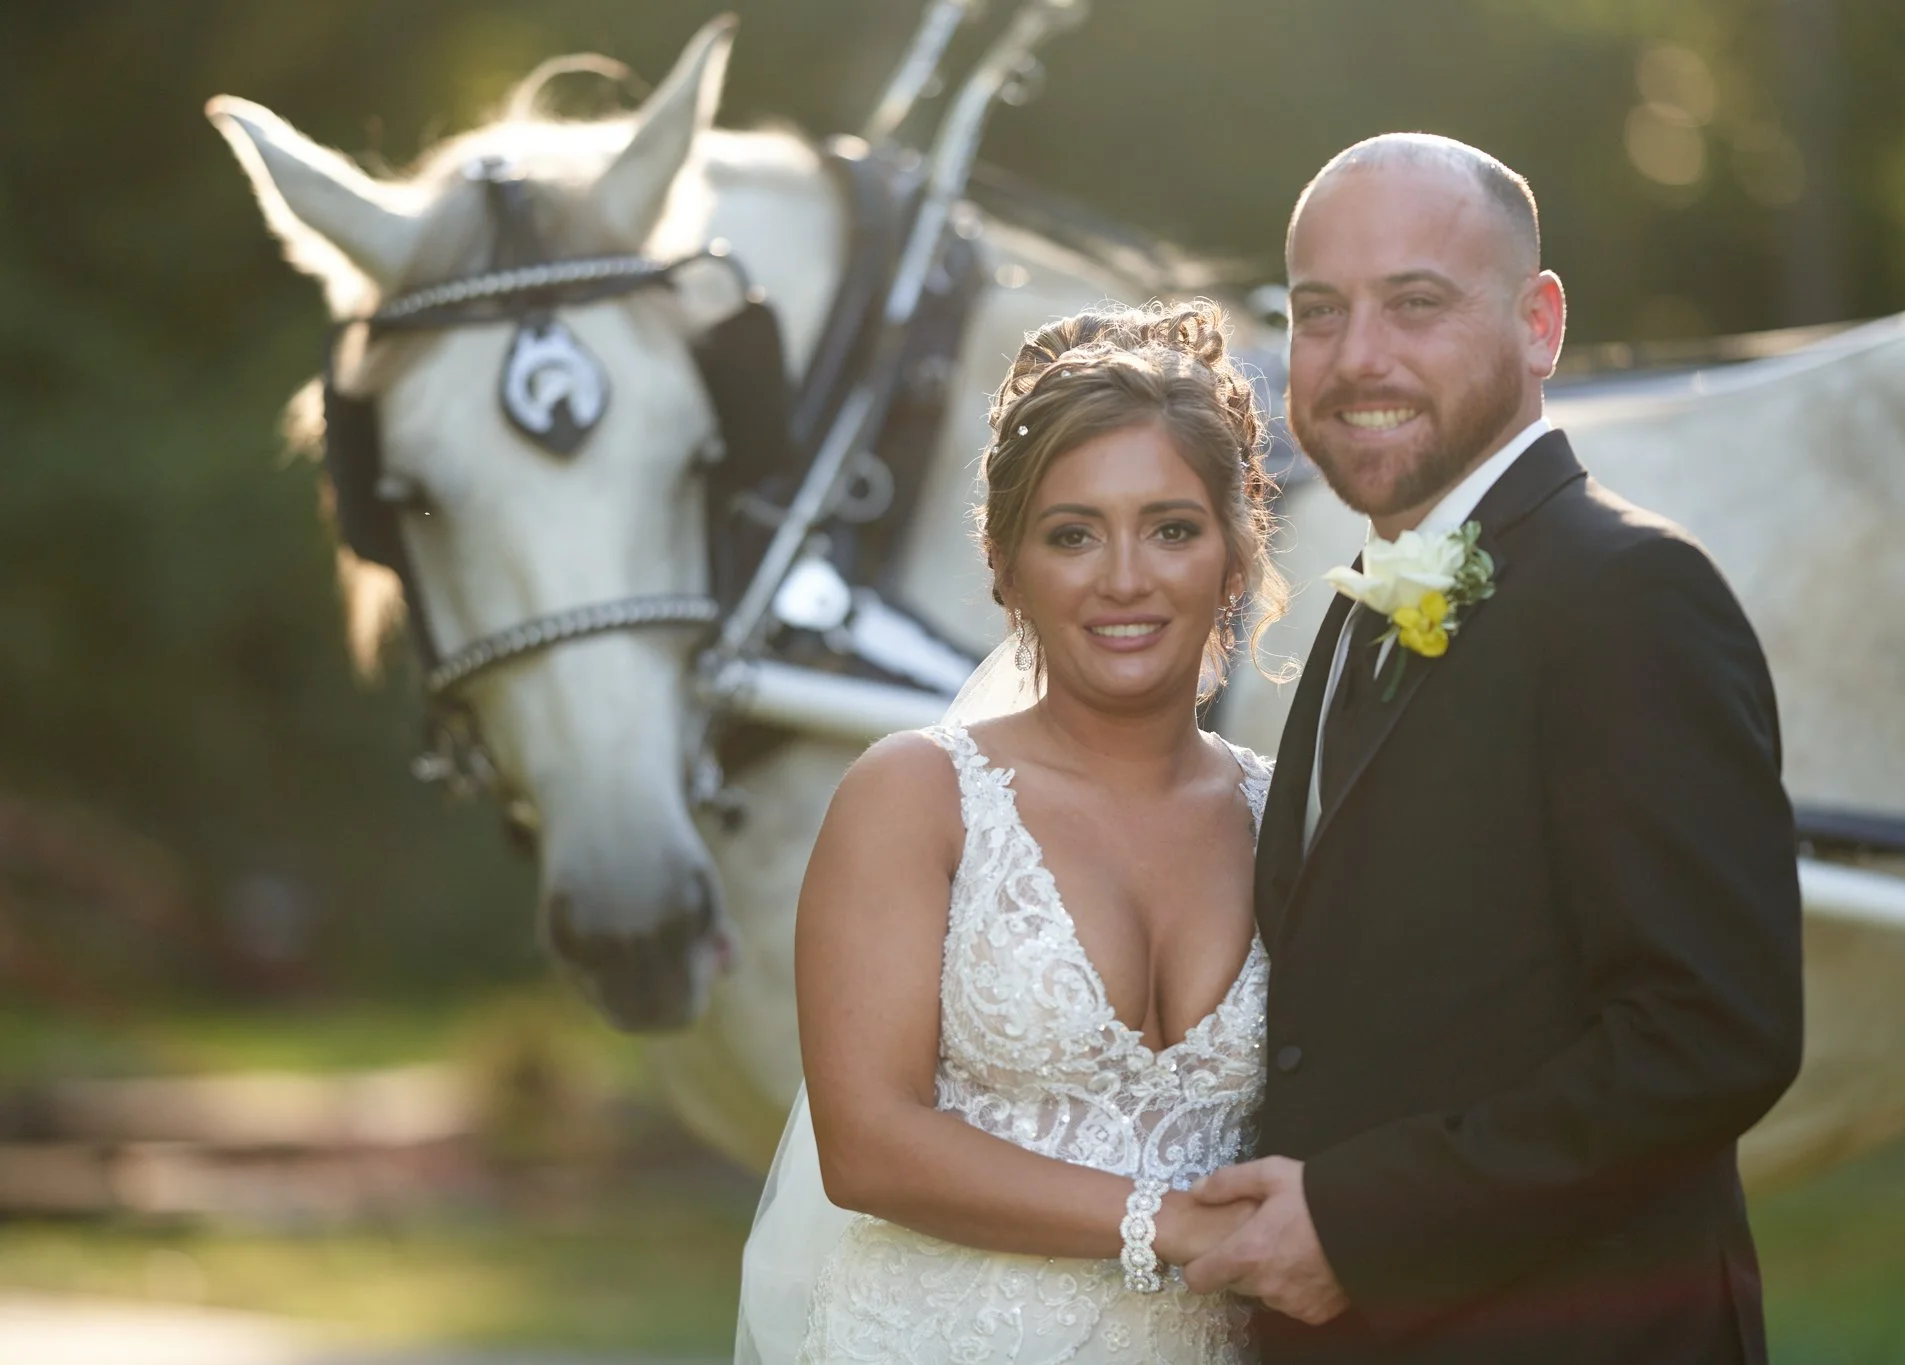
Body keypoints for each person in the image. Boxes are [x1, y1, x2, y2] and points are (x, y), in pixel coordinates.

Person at [1177, 133, 1806, 1363]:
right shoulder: (1358, 607)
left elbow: (1709, 1035)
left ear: (1537, 325)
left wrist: (1360, 1225)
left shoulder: (1628, 595)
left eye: (1415, 304)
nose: (1359, 357)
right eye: (1319, 312)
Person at [734, 300, 1290, 1364]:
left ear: (1233, 551)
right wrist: (1163, 1222)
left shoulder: (1290, 816)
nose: (1123, 578)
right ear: (1002, 563)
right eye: (1071, 534)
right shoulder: (918, 796)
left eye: (1170, 528)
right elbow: (866, 1147)